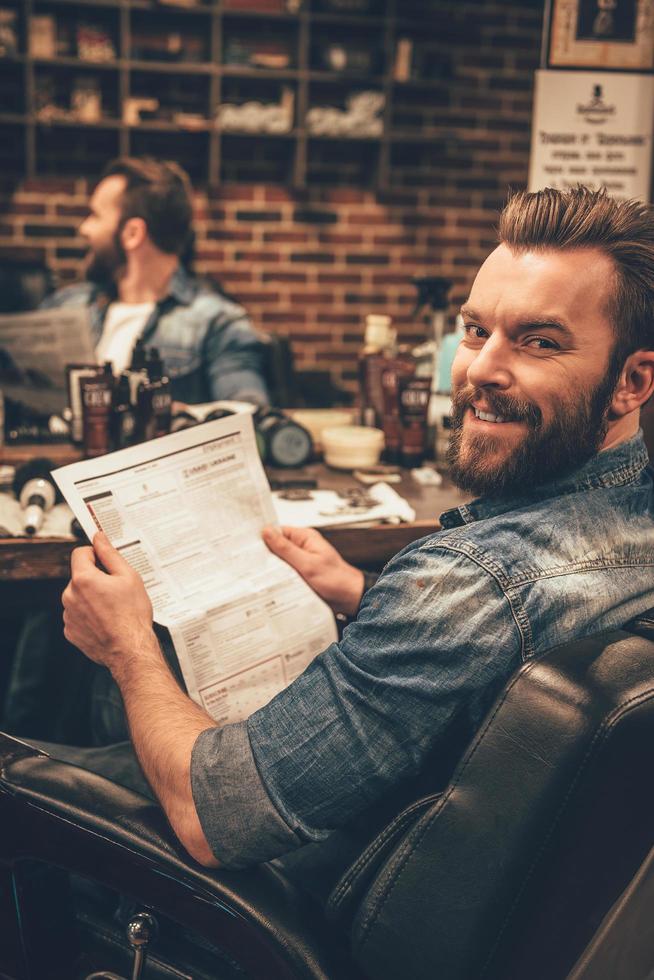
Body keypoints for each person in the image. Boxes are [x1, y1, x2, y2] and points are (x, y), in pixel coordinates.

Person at [58, 187, 654, 888]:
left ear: (632, 380)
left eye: (539, 341)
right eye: (474, 330)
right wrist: (360, 593)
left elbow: (213, 817)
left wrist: (125, 645)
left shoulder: (470, 585)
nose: (480, 370)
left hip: (301, 893)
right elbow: (505, 632)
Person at [44, 156, 269, 406]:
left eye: (95, 216)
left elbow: (248, 413)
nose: (84, 228)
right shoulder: (65, 306)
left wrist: (175, 419)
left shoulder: (217, 322)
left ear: (132, 234)